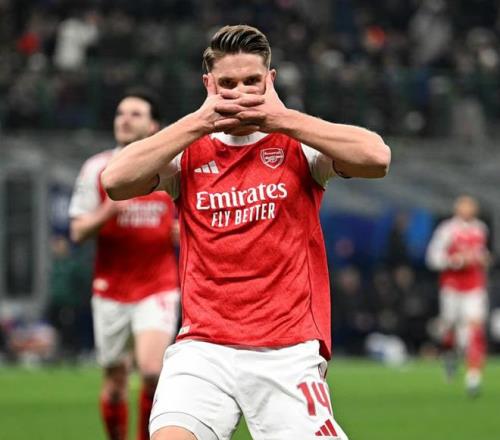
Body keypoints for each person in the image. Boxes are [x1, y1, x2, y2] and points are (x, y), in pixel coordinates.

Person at [102, 25, 391, 440]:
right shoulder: (187, 153)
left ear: (270, 80)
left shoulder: (299, 146)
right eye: (228, 84)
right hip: (203, 349)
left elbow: (377, 157)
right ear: (208, 85)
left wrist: (282, 118)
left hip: (286, 352)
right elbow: (114, 181)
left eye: (252, 81)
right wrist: (200, 121)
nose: (240, 93)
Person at [69, 88, 180, 440]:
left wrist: (184, 231)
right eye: (120, 113)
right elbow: (77, 231)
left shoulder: (170, 166)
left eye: (135, 114)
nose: (125, 120)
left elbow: (191, 220)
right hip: (111, 289)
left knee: (151, 371)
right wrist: (108, 211)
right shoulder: (98, 169)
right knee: (116, 382)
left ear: (153, 126)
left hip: (158, 284)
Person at [426, 195, 490, 396]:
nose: (468, 210)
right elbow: (432, 258)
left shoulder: (480, 229)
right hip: (452, 287)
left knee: (475, 330)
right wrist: (456, 261)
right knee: (450, 327)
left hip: (474, 287)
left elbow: (482, 255)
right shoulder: (447, 230)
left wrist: (483, 259)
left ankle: (473, 378)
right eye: (464, 206)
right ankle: (450, 357)